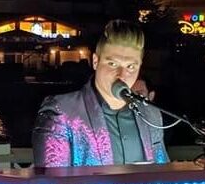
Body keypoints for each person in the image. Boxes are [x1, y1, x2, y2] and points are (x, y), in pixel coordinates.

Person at [32, 19, 169, 167]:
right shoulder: (60, 112)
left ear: (139, 67)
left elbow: (163, 174)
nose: (121, 75)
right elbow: (53, 183)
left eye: (130, 66)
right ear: (95, 61)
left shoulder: (151, 115)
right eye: (112, 64)